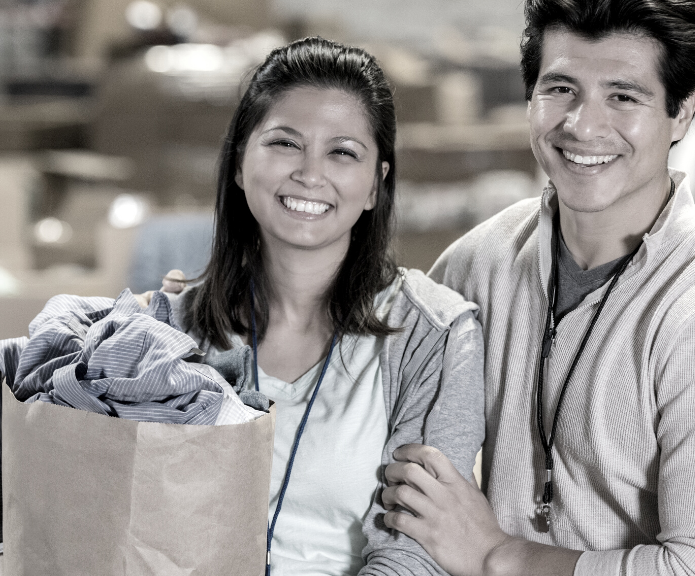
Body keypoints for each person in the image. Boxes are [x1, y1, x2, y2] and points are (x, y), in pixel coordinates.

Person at [379, 1, 695, 575]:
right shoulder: (476, 265)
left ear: (682, 114)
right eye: (560, 89)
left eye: (624, 96)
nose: (581, 124)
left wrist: (499, 556)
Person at [166, 37, 484, 576]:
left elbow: (418, 549)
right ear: (240, 163)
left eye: (342, 152)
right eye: (285, 143)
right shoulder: (169, 327)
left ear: (374, 186)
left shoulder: (435, 336)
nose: (310, 174)